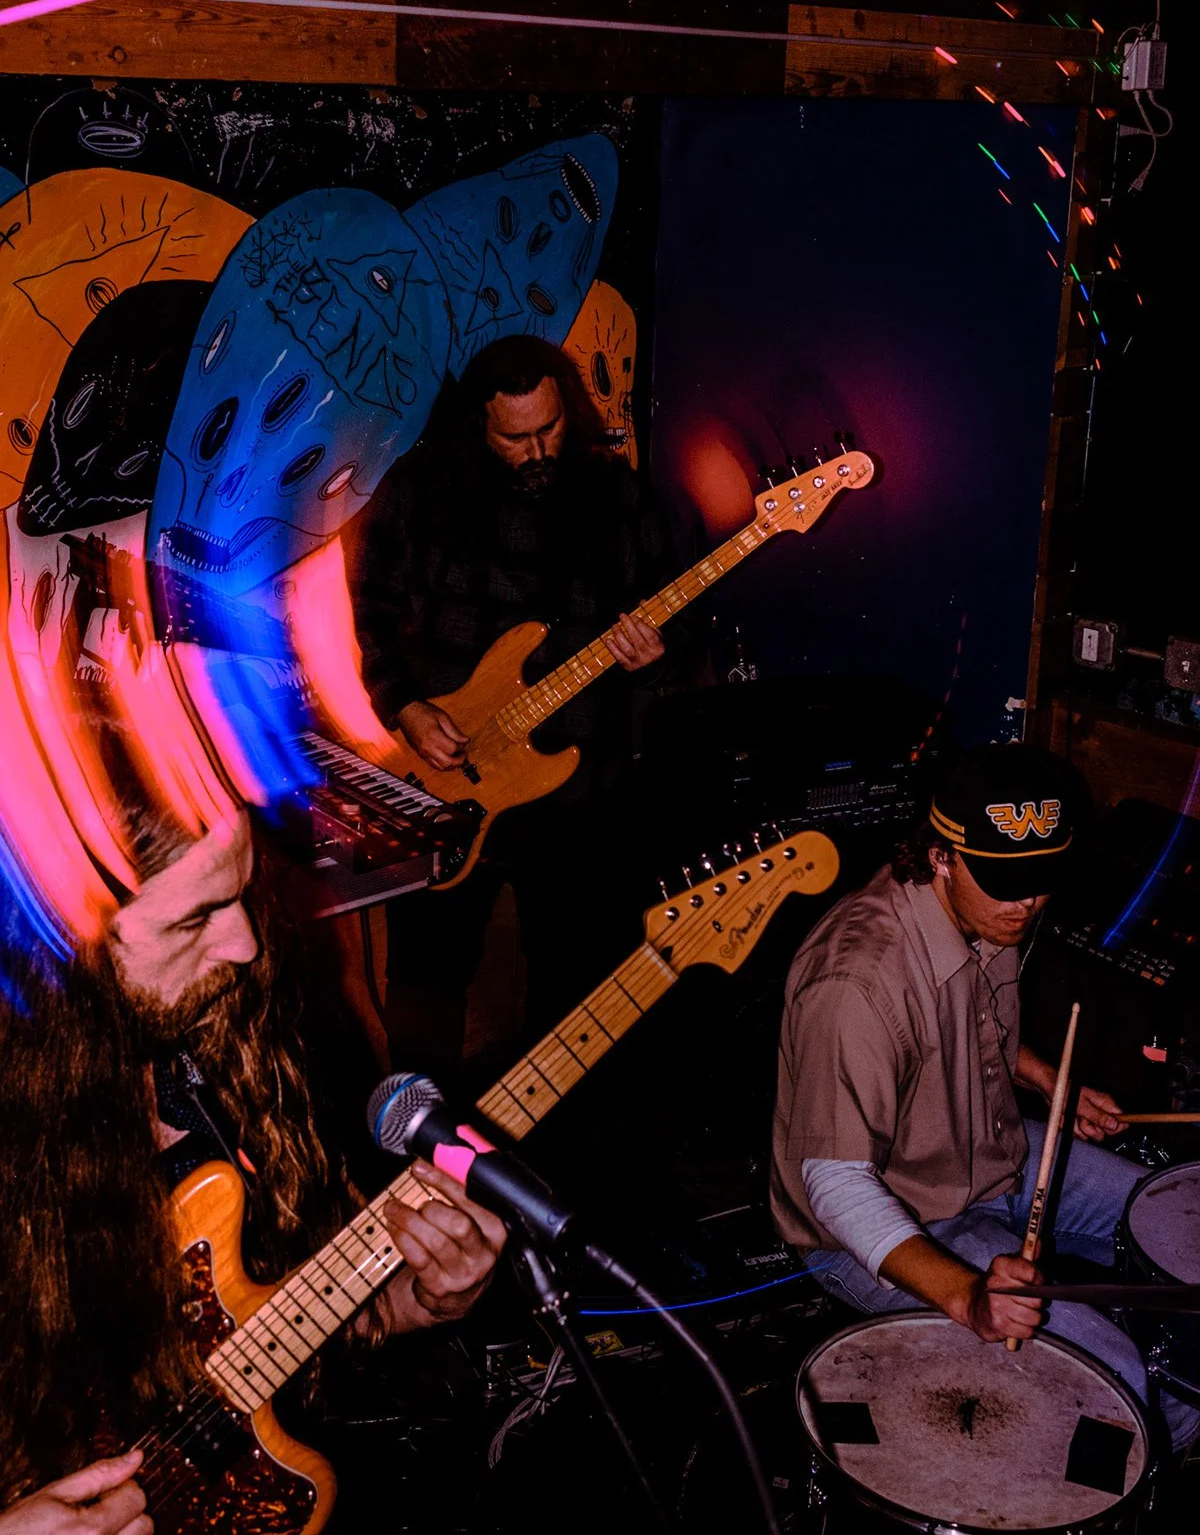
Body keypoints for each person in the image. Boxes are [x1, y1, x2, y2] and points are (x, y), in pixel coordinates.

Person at [0, 785, 506, 1526]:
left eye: (241, 893)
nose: (245, 944)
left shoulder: (218, 1036)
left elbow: (273, 1320)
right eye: (195, 917)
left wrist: (414, 1301)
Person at [772, 743, 1199, 1450]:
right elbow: (836, 1184)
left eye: (1040, 879)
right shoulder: (853, 984)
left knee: (1180, 1231)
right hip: (882, 1218)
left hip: (987, 1143)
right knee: (1112, 1374)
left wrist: (1044, 1078)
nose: (1027, 902)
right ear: (940, 856)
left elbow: (966, 1028)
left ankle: (1161, 1450)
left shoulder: (985, 911)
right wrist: (969, 1296)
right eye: (1008, 882)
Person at [350, 334, 689, 1070]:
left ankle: (553, 1166)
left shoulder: (616, 497)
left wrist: (656, 662)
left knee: (576, 1004)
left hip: (578, 799)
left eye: (551, 429)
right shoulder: (421, 491)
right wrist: (404, 707)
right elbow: (371, 610)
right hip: (451, 778)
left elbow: (675, 628)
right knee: (425, 995)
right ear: (479, 423)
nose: (539, 451)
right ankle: (418, 1157)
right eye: (517, 438)